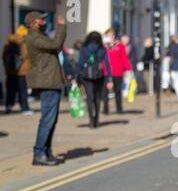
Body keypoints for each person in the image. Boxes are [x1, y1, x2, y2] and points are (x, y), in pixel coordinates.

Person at [25, 12, 66, 166]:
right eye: (40, 19)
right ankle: (39, 153)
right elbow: (55, 45)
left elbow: (56, 48)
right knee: (47, 120)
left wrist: (60, 32)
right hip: (47, 82)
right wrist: (61, 27)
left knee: (51, 120)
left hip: (51, 81)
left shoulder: (41, 36)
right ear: (33, 22)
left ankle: (46, 152)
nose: (43, 20)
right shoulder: (34, 38)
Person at [76, 32, 114, 129]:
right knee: (97, 98)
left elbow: (80, 63)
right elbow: (107, 64)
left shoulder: (84, 49)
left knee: (89, 97)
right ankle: (96, 119)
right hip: (99, 76)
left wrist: (76, 76)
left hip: (86, 77)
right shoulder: (102, 49)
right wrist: (110, 78)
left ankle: (91, 121)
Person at [2, 25, 33, 115]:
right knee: (22, 91)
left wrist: (7, 67)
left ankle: (8, 106)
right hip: (22, 71)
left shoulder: (8, 43)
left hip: (10, 71)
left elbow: (4, 57)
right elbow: (27, 56)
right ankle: (24, 108)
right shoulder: (24, 43)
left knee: (10, 90)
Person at [103, 28, 132, 114]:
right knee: (105, 91)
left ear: (113, 36)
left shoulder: (120, 46)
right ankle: (105, 110)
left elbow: (124, 58)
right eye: (107, 36)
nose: (109, 37)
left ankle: (119, 109)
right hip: (106, 72)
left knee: (118, 91)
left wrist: (128, 68)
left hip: (118, 71)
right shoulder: (103, 46)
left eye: (110, 35)